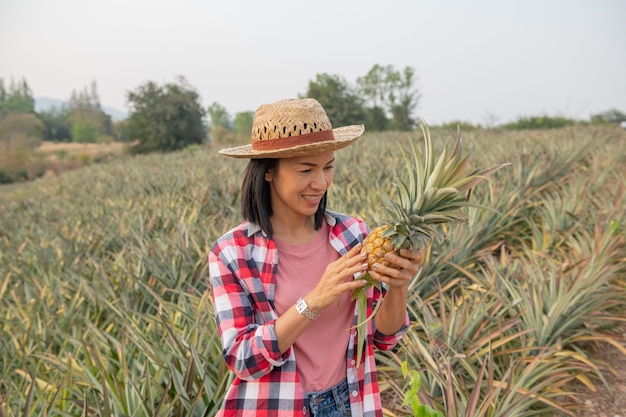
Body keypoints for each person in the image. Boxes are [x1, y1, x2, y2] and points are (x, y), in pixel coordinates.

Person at [208, 98, 423, 417]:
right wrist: (313, 301)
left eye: (328, 167)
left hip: (352, 403)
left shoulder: (354, 235)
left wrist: (400, 287)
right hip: (276, 408)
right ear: (268, 172)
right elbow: (243, 359)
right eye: (306, 170)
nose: (321, 183)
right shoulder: (233, 252)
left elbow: (383, 338)